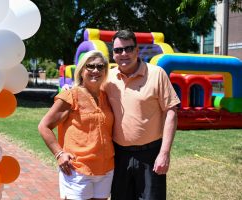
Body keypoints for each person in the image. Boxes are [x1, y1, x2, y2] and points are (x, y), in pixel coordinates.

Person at [105, 30, 181, 200]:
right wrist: (71, 89)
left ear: (137, 51)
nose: (123, 54)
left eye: (129, 48)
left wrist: (164, 153)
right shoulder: (108, 77)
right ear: (113, 54)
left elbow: (171, 112)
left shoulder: (156, 74)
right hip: (118, 155)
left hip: (150, 155)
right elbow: (88, 90)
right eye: (118, 50)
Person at [38, 50, 114, 200]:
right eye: (90, 66)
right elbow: (44, 126)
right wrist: (59, 154)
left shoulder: (107, 96)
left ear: (105, 71)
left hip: (106, 169)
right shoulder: (70, 96)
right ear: (81, 70)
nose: (95, 70)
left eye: (100, 67)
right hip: (77, 169)